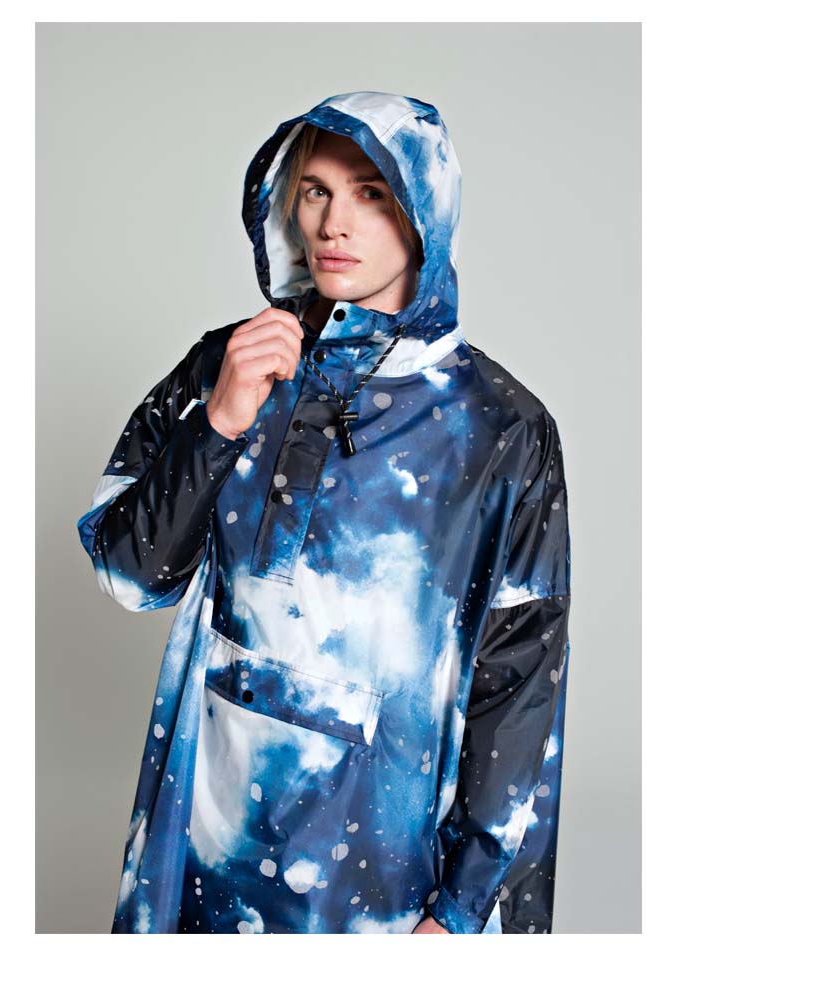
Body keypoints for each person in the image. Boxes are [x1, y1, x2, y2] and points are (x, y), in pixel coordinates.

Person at [76, 91, 572, 934]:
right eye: (315, 191)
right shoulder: (229, 363)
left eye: (371, 194)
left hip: (384, 867)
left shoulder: (500, 428)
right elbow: (131, 577)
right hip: (205, 843)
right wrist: (219, 424)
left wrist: (459, 911)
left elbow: (518, 684)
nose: (334, 224)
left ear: (424, 212)